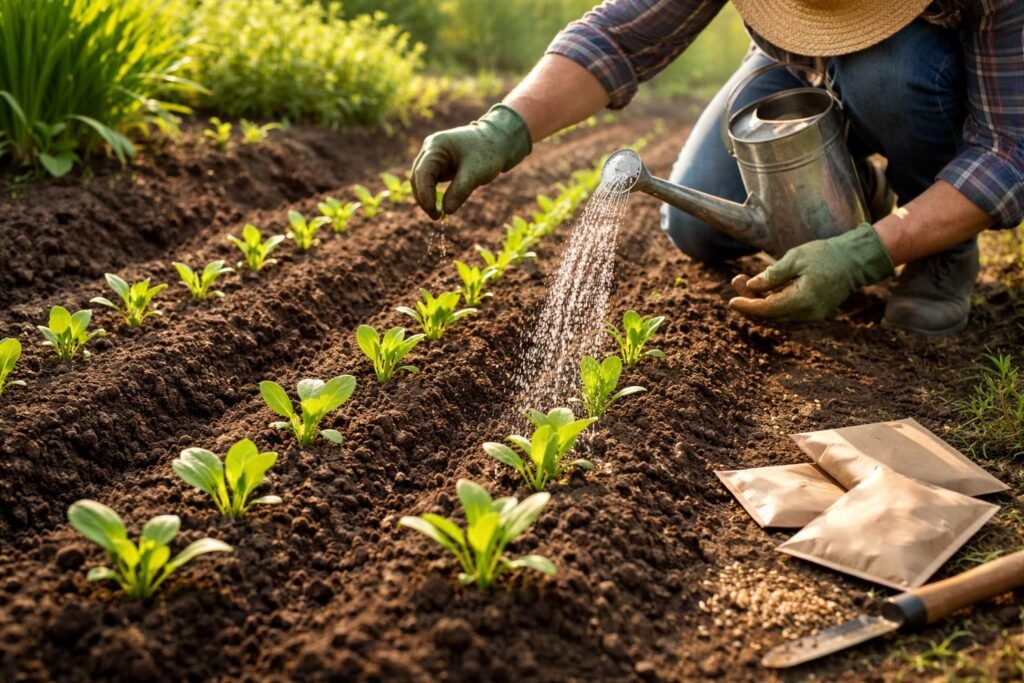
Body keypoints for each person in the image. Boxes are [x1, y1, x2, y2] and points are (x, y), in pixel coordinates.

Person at [409, 0, 1023, 336]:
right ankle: (858, 190)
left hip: (920, 82)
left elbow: (1008, 152)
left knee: (892, 71)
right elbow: (618, 37)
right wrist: (503, 127)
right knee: (698, 228)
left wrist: (865, 256)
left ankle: (939, 248)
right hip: (795, 72)